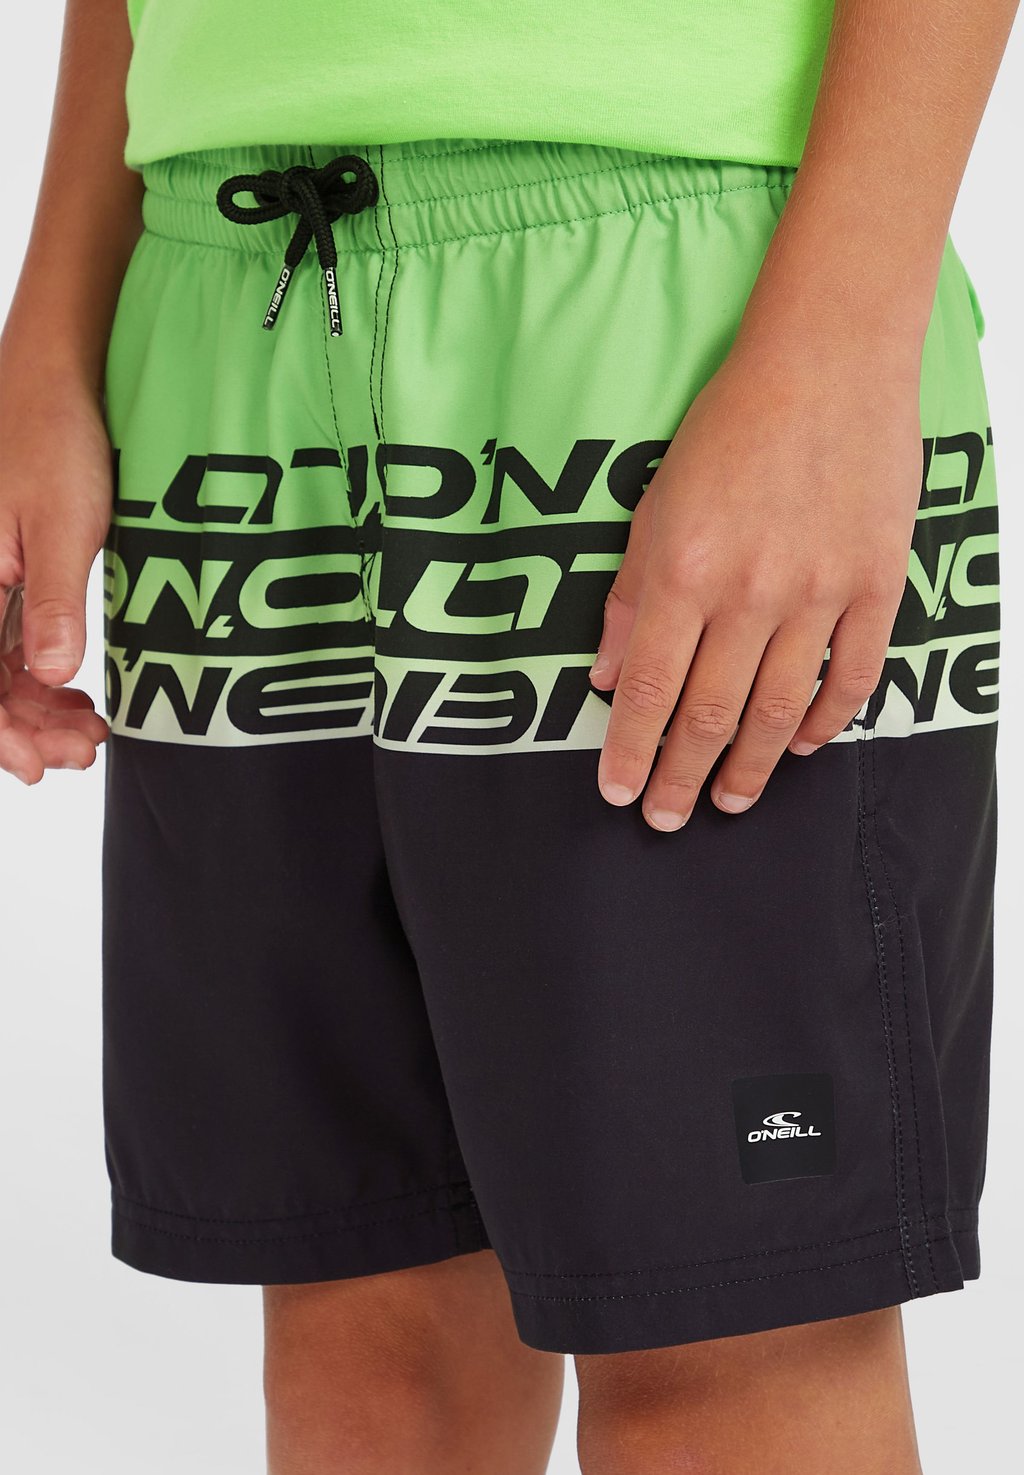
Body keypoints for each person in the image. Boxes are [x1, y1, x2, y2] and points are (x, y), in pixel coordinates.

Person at [0, 1, 1015, 1470]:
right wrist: (51, 324)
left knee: (724, 1338)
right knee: (370, 1321)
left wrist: (841, 345)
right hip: (222, 293)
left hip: (674, 295)